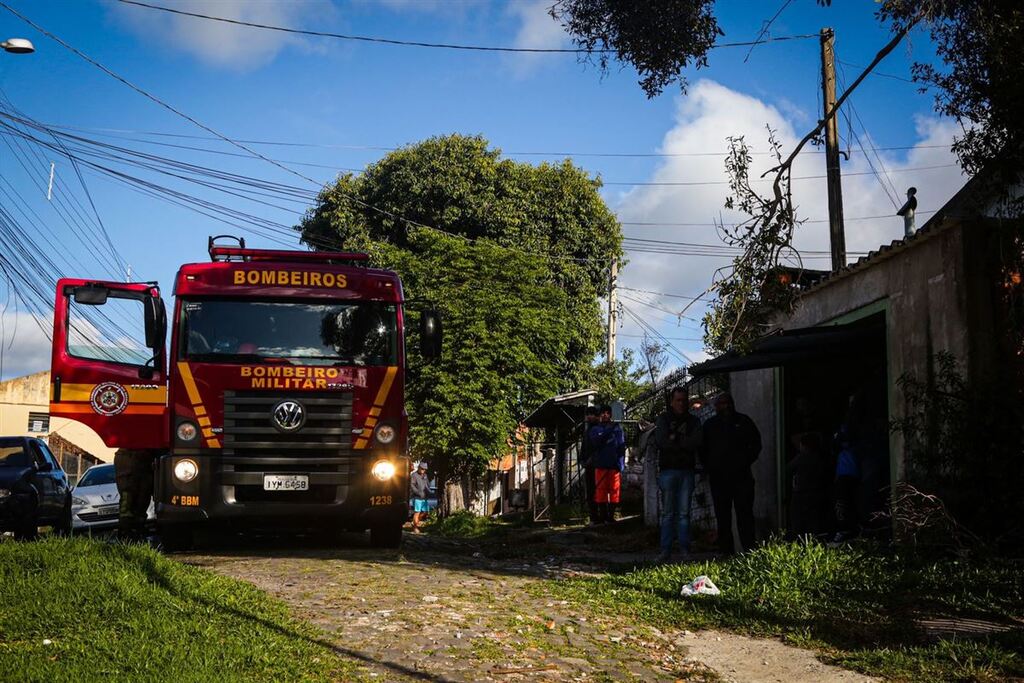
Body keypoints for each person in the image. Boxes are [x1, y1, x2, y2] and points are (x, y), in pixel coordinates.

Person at [701, 393, 762, 555]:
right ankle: (726, 553)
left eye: (728, 403)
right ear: (716, 407)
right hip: (719, 479)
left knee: (745, 515)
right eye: (721, 403)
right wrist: (710, 467)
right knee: (723, 517)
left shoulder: (743, 421)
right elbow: (702, 450)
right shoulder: (710, 425)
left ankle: (749, 551)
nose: (726, 406)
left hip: (742, 477)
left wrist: (745, 461)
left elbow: (756, 444)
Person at [653, 387, 702, 563]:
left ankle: (684, 550)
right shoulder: (664, 419)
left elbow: (695, 442)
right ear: (672, 401)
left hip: (686, 470)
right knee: (668, 513)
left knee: (684, 513)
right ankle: (665, 550)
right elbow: (662, 442)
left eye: (684, 400)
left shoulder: (693, 420)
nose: (681, 403)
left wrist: (676, 438)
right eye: (678, 400)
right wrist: (681, 441)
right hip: (669, 470)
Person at [588, 404, 626, 524]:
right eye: (603, 413)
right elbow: (596, 442)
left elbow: (621, 446)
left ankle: (611, 516)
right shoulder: (595, 429)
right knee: (601, 491)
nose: (605, 415)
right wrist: (608, 430)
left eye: (607, 413)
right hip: (600, 465)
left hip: (614, 465)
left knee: (614, 491)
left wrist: (621, 463)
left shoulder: (617, 429)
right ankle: (603, 516)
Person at [787, 432, 829, 539]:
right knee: (813, 523)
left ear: (803, 445)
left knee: (798, 524)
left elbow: (788, 468)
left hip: (800, 494)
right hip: (816, 494)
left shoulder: (802, 457)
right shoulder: (821, 458)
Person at [114, 448, 156, 542]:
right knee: (129, 499)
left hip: (138, 458)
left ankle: (131, 532)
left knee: (136, 499)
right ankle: (129, 532)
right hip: (132, 457)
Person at [579, 406, 602, 525]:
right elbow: (584, 447)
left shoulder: (600, 429)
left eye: (591, 414)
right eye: (587, 414)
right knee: (590, 491)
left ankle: (599, 516)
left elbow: (599, 447)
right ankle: (593, 516)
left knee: (597, 491)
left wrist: (591, 459)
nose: (588, 417)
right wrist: (582, 460)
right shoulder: (588, 430)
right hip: (588, 465)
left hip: (597, 465)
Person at [410, 461, 431, 533]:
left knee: (425, 512)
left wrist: (429, 491)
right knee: (417, 512)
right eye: (422, 468)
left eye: (425, 469)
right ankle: (415, 528)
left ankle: (414, 523)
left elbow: (427, 484)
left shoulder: (425, 476)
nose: (423, 470)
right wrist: (417, 492)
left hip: (424, 497)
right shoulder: (414, 475)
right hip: (417, 497)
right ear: (419, 467)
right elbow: (412, 485)